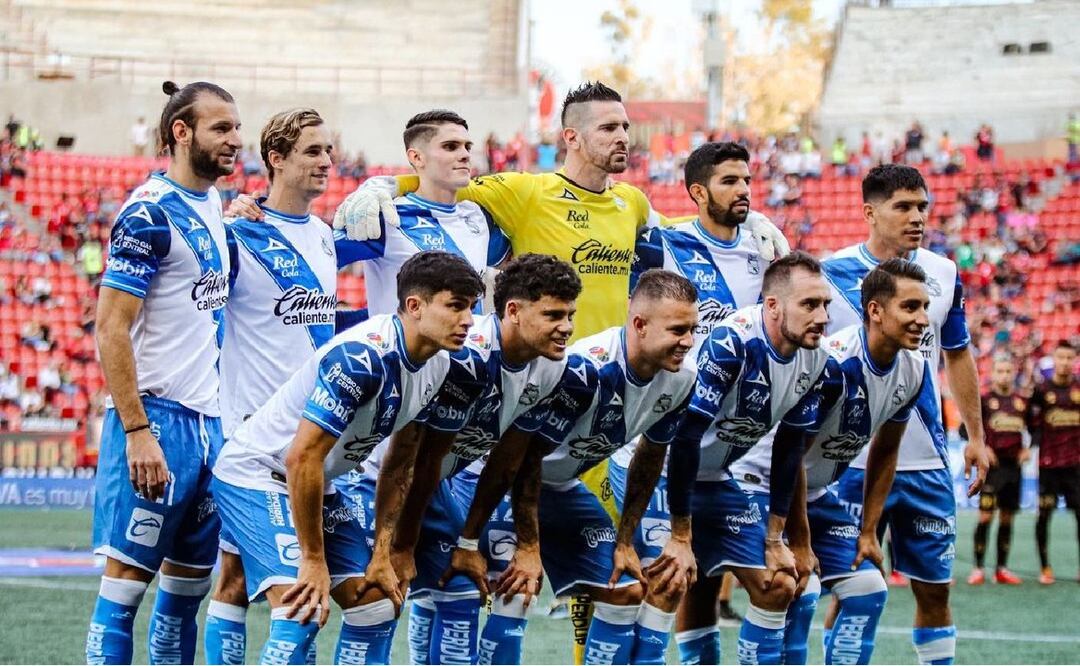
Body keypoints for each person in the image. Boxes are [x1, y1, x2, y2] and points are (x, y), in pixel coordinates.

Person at [332, 81, 789, 343]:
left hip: (610, 375)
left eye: (625, 126)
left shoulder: (631, 202)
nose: (623, 137)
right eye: (608, 128)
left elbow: (687, 233)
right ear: (571, 137)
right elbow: (442, 182)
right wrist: (385, 184)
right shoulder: (525, 191)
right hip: (544, 371)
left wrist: (749, 219)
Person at [210, 251, 484, 664]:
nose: (468, 320)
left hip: (316, 482)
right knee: (300, 608)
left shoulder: (438, 366)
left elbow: (399, 466)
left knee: (375, 603)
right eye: (456, 306)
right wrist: (313, 559)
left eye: (472, 308)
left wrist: (383, 554)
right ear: (414, 306)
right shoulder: (361, 359)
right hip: (258, 472)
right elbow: (301, 458)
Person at [86, 80, 241, 665]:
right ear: (182, 131)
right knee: (124, 591)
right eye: (221, 128)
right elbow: (110, 328)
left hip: (209, 424)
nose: (235, 140)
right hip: (156, 420)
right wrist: (136, 430)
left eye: (237, 128)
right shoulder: (148, 214)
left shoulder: (213, 205)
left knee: (185, 596)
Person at [477, 269, 696, 665]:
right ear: (640, 325)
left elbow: (650, 457)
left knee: (624, 591)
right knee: (516, 588)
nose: (689, 342)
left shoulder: (681, 378)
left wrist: (625, 542)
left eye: (693, 329)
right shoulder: (587, 372)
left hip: (560, 485)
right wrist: (529, 547)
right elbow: (524, 459)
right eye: (678, 330)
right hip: (502, 479)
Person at [370, 254, 582, 664]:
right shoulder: (468, 358)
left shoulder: (550, 366)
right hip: (381, 478)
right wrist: (401, 545)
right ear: (514, 312)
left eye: (570, 315)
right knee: (381, 600)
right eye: (554, 315)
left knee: (455, 587)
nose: (567, 327)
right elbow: (417, 461)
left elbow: (505, 463)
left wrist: (468, 542)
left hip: (435, 480)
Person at [821, 164, 991, 665]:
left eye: (922, 207)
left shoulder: (943, 273)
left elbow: (957, 353)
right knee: (851, 588)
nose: (917, 217)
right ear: (870, 212)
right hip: (850, 464)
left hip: (925, 460)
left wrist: (976, 436)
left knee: (935, 591)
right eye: (903, 207)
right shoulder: (829, 274)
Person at [732, 258, 935, 664]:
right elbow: (790, 455)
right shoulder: (835, 366)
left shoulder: (914, 369)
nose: (923, 320)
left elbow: (886, 451)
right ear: (875, 311)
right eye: (910, 307)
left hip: (815, 492)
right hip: (766, 485)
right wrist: (801, 542)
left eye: (925, 307)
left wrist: (869, 532)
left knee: (867, 590)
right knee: (798, 587)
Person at [203, 108, 336, 666]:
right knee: (295, 598)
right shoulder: (238, 235)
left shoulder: (326, 237)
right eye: (312, 151)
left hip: (310, 436)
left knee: (234, 578)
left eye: (329, 151)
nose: (326, 161)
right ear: (275, 159)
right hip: (252, 442)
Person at [624, 141, 767, 659]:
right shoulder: (664, 243)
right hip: (666, 435)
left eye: (747, 180)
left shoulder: (763, 252)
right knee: (663, 580)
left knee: (716, 578)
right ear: (698, 192)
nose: (743, 190)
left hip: (732, 447)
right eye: (730, 181)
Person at [661, 252, 834, 665]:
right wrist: (681, 535)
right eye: (810, 305)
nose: (823, 317)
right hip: (662, 470)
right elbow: (685, 438)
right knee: (665, 583)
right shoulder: (732, 343)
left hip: (717, 474)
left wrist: (777, 539)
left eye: (826, 304)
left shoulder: (816, 357)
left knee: (778, 582)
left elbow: (789, 449)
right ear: (772, 305)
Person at [967, 354, 1031, 587]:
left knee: (1007, 518)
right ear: (992, 374)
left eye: (1008, 371)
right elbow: (966, 429)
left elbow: (1035, 428)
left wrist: (1028, 448)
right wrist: (983, 447)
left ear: (1014, 373)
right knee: (985, 517)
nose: (1004, 375)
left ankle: (1002, 569)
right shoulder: (983, 400)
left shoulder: (1022, 401)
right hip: (991, 470)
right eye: (1000, 371)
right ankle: (978, 568)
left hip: (1013, 468)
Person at [1030, 340, 1079, 585]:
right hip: (1049, 466)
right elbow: (1031, 422)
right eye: (1061, 357)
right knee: (1044, 517)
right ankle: (1045, 567)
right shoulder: (1041, 390)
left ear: (1074, 360)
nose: (1065, 362)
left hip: (1076, 466)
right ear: (1054, 359)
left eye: (1069, 358)